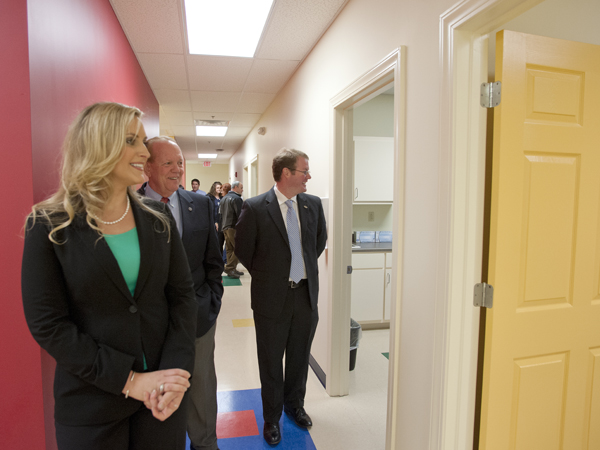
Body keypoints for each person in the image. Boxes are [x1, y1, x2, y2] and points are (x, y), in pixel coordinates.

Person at [21, 102, 197, 450]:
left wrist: (175, 376)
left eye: (143, 141)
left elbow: (182, 297)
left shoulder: (158, 219)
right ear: (99, 146)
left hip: (161, 401)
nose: (144, 152)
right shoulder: (49, 225)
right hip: (91, 404)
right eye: (132, 140)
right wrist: (129, 380)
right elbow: (47, 323)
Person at [235, 148, 327, 446]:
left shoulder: (312, 205)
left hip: (304, 296)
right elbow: (244, 249)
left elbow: (318, 242)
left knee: (299, 358)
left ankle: (294, 405)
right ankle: (272, 418)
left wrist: (300, 272)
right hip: (271, 299)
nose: (308, 177)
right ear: (286, 173)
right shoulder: (255, 207)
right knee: (271, 361)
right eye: (305, 171)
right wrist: (271, 276)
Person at [138, 137, 223, 450]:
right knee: (160, 393)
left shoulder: (200, 203)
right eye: (168, 163)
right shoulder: (127, 206)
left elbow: (213, 261)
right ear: (147, 167)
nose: (177, 170)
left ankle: (205, 444)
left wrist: (211, 303)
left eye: (180, 163)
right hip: (150, 326)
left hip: (198, 317)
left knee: (201, 388)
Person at [220, 181, 244, 278]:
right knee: (239, 248)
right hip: (234, 227)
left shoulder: (224, 198)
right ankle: (230, 268)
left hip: (225, 227)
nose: (242, 190)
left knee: (229, 249)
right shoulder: (237, 199)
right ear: (236, 187)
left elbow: (221, 214)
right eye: (241, 187)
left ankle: (232, 269)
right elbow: (240, 215)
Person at [207, 181, 224, 256]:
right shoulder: (209, 197)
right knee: (213, 242)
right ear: (214, 188)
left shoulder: (223, 197)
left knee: (220, 242)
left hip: (222, 222)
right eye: (217, 188)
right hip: (213, 222)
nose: (219, 189)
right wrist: (214, 222)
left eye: (220, 188)